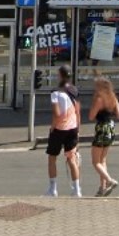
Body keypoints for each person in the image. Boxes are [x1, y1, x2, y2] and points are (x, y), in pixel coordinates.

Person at [45, 66, 83, 197]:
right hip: (72, 129)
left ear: (60, 76)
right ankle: (77, 190)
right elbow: (78, 112)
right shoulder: (74, 90)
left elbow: (56, 114)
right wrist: (78, 130)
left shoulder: (55, 92)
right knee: (71, 159)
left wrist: (52, 127)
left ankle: (53, 189)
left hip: (59, 129)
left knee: (52, 158)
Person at [89, 76, 119, 197]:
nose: (94, 88)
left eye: (96, 86)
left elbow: (91, 116)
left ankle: (109, 181)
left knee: (95, 161)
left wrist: (96, 107)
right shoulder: (113, 97)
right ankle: (102, 188)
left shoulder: (99, 99)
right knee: (103, 159)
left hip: (101, 128)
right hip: (111, 128)